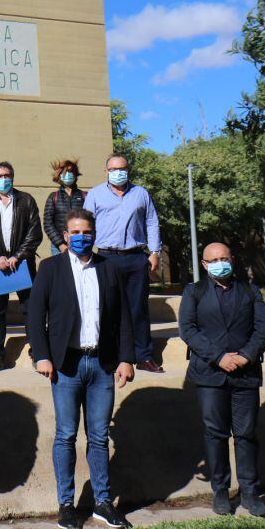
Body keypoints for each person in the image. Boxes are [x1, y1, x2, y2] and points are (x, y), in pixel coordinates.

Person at [28, 209, 135, 529]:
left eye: (86, 232)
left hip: (102, 364)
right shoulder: (50, 269)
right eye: (75, 231)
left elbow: (123, 319)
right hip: (66, 366)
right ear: (65, 234)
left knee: (99, 437)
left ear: (94, 234)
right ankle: (66, 505)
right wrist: (41, 356)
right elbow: (35, 317)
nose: (81, 237)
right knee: (65, 435)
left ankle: (102, 502)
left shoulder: (109, 269)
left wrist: (126, 358)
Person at [179, 242, 265, 518]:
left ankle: (250, 493)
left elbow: (263, 329)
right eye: (213, 259)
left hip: (246, 374)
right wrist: (219, 357)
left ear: (232, 259)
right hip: (210, 374)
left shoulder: (250, 291)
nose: (220, 262)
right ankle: (220, 491)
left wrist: (245, 356)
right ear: (204, 265)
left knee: (246, 434)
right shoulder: (193, 292)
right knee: (215, 434)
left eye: (224, 258)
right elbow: (188, 330)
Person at [83, 153, 164, 373]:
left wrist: (155, 252)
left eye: (122, 168)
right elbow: (86, 224)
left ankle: (144, 356)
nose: (118, 173)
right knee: (106, 307)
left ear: (128, 170)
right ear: (106, 171)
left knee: (138, 309)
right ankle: (111, 355)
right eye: (113, 169)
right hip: (105, 257)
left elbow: (151, 222)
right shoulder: (95, 195)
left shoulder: (141, 194)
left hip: (136, 257)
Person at [0, 161, 43, 372]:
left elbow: (34, 232)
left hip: (22, 264)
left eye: (7, 175)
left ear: (13, 176)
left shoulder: (26, 201)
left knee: (30, 308)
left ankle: (36, 352)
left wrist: (19, 256)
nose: (4, 179)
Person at [42, 159, 86, 255]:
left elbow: (90, 221)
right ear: (60, 175)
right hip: (58, 247)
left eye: (71, 172)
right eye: (65, 172)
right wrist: (60, 244)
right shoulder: (53, 197)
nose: (68, 175)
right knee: (61, 269)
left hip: (81, 243)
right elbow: (47, 223)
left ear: (75, 175)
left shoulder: (85, 196)